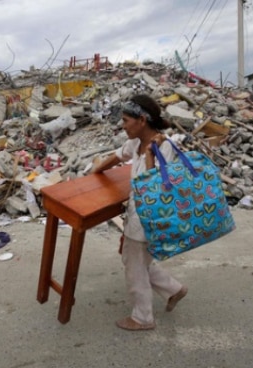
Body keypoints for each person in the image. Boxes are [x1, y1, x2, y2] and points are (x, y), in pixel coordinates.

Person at [91, 94, 188, 331]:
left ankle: (143, 317)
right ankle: (174, 289)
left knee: (134, 263)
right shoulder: (134, 144)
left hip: (149, 217)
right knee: (134, 258)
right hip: (137, 214)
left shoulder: (163, 147)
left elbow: (154, 185)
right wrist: (95, 172)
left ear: (142, 120)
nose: (122, 125)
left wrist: (150, 156)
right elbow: (113, 158)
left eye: (126, 120)